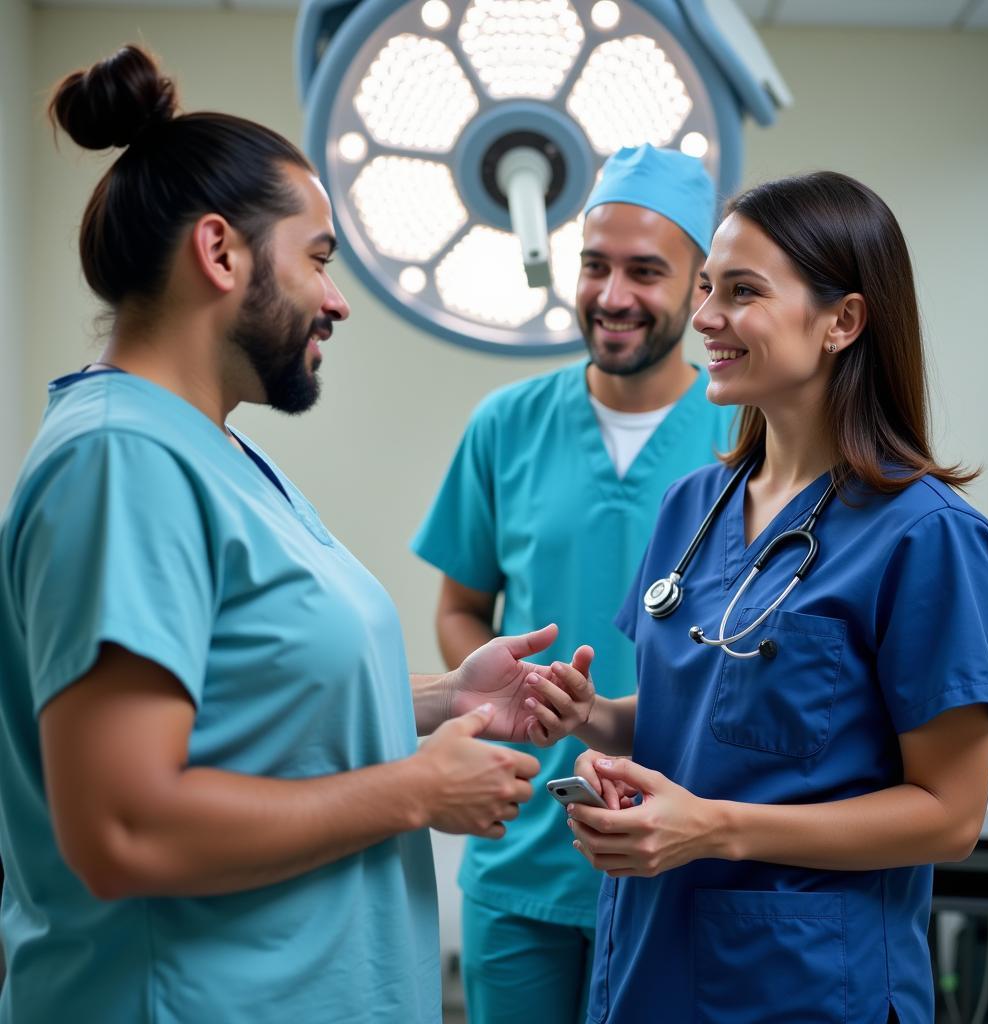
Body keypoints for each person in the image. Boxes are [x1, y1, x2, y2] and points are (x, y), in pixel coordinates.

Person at [0, 46, 572, 1024]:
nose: (338, 299)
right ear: (219, 253)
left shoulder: (210, 454)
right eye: (316, 258)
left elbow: (247, 704)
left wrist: (439, 698)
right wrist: (415, 792)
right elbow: (123, 828)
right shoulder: (121, 463)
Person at [530, 170, 988, 1024]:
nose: (706, 316)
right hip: (647, 961)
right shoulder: (694, 504)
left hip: (804, 983)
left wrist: (716, 827)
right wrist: (591, 717)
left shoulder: (926, 536)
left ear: (844, 321)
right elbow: (706, 713)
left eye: (742, 291)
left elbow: (948, 816)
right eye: (709, 287)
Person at [412, 144, 735, 1024]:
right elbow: (460, 606)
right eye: (594, 265)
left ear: (702, 286)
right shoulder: (505, 426)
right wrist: (510, 691)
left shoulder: (750, 435)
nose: (612, 295)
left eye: (645, 271)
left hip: (675, 849)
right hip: (522, 854)